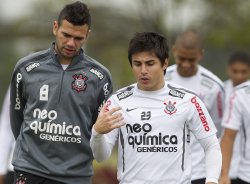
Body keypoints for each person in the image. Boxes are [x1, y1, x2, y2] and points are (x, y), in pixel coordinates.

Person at [90, 32, 222, 184]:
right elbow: (101, 157)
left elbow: (211, 145)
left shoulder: (189, 100)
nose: (143, 70)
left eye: (150, 63)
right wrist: (97, 133)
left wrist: (212, 180)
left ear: (165, 63)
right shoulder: (117, 101)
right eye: (137, 64)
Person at [9, 1, 112, 184]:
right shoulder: (26, 68)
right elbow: (17, 119)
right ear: (55, 28)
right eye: (66, 35)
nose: (71, 43)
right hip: (30, 170)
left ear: (87, 35)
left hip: (75, 176)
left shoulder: (100, 77)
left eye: (79, 38)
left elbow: (99, 129)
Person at [165, 31, 225, 184]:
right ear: (174, 51)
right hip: (165, 170)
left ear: (200, 54)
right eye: (181, 58)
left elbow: (218, 131)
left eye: (191, 59)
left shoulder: (214, 86)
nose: (185, 64)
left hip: (199, 172)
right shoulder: (161, 78)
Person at [223, 51, 250, 184]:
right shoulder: (219, 91)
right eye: (235, 71)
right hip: (224, 161)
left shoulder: (246, 93)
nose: (239, 76)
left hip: (243, 165)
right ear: (228, 69)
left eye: (243, 71)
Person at [0, 87, 16, 184]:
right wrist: (0, 167)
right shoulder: (20, 77)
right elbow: (6, 124)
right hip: (17, 166)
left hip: (60, 170)